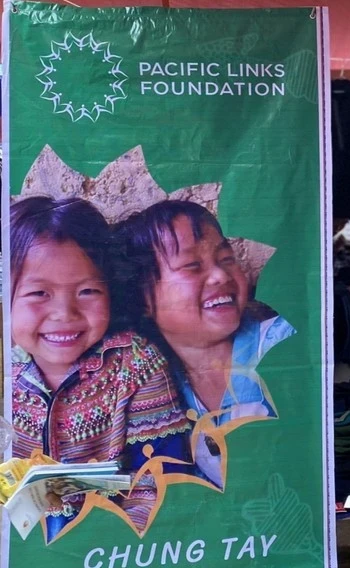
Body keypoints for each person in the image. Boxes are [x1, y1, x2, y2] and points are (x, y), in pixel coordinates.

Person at [9, 196, 193, 542]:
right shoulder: (6, 375)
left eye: (88, 290)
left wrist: (111, 549)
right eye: (38, 293)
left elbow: (158, 481)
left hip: (109, 558)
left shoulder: (135, 365)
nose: (65, 313)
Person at [113, 200, 296, 486]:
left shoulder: (282, 345)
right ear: (143, 298)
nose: (221, 275)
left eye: (226, 259)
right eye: (192, 266)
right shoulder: (154, 394)